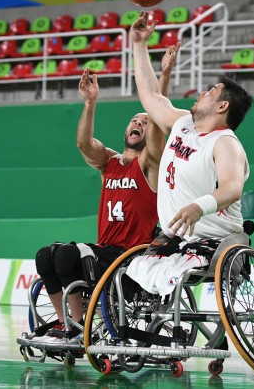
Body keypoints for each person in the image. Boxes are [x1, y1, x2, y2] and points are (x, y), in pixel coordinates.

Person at [33, 51, 175, 340]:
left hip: (130, 257)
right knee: (45, 256)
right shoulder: (109, 162)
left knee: (66, 256)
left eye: (145, 122)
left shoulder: (148, 165)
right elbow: (84, 144)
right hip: (103, 249)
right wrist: (90, 102)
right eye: (135, 119)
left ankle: (77, 325)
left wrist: (165, 77)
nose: (138, 123)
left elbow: (161, 123)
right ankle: (66, 323)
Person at [124, 11, 254, 297]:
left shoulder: (225, 143)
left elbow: (233, 188)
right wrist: (139, 44)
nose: (202, 92)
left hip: (214, 240)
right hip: (172, 237)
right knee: (127, 281)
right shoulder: (183, 123)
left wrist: (199, 206)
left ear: (222, 107)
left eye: (211, 91)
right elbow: (151, 96)